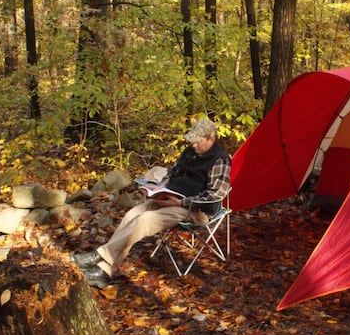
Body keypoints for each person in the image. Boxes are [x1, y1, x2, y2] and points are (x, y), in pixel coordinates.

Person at [71, 118, 231, 288]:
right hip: (169, 198)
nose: (193, 145)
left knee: (145, 220)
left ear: (211, 139)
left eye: (198, 142)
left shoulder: (219, 160)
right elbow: (172, 173)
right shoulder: (188, 153)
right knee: (132, 214)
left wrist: (180, 202)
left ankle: (100, 257)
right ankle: (103, 272)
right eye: (192, 141)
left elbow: (215, 194)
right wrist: (157, 188)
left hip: (194, 210)